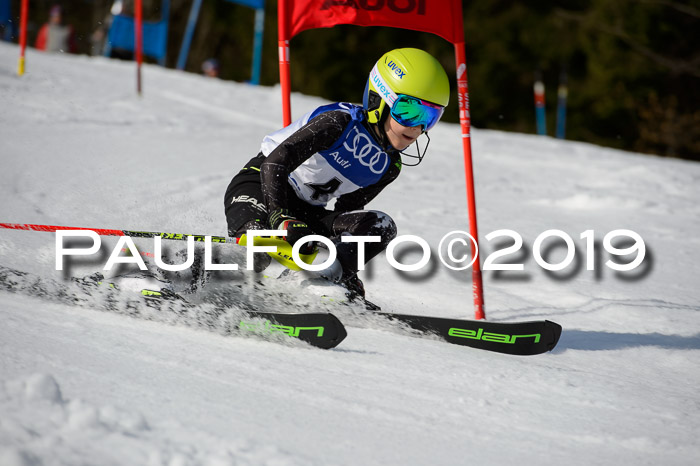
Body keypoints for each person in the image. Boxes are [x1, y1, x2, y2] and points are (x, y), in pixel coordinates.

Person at [224, 48, 449, 298]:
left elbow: (344, 214)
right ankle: (200, 273)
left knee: (380, 226)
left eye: (430, 117)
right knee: (260, 247)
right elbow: (275, 163)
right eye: (410, 111)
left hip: (306, 212)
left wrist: (344, 268)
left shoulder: (388, 166)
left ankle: (314, 280)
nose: (417, 128)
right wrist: (280, 216)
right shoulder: (339, 123)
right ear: (380, 99)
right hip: (260, 187)